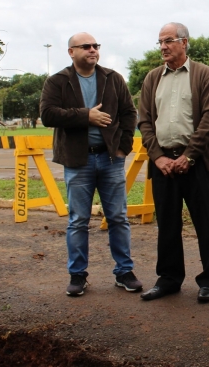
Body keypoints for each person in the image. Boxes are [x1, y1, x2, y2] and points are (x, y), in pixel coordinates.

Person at [40, 33, 142, 297]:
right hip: (78, 161)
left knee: (118, 217)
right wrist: (87, 116)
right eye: (86, 46)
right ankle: (78, 275)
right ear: (71, 52)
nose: (93, 50)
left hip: (110, 159)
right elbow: (48, 115)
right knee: (78, 220)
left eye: (96, 46)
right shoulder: (58, 81)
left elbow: (130, 112)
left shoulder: (112, 78)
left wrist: (124, 146)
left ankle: (124, 272)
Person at [137, 22, 209, 303]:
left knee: (206, 223)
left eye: (169, 41)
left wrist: (190, 155)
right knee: (167, 224)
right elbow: (145, 121)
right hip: (163, 163)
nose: (163, 46)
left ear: (184, 42)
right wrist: (158, 156)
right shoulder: (152, 78)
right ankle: (169, 279)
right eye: (160, 42)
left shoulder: (203, 74)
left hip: (196, 163)